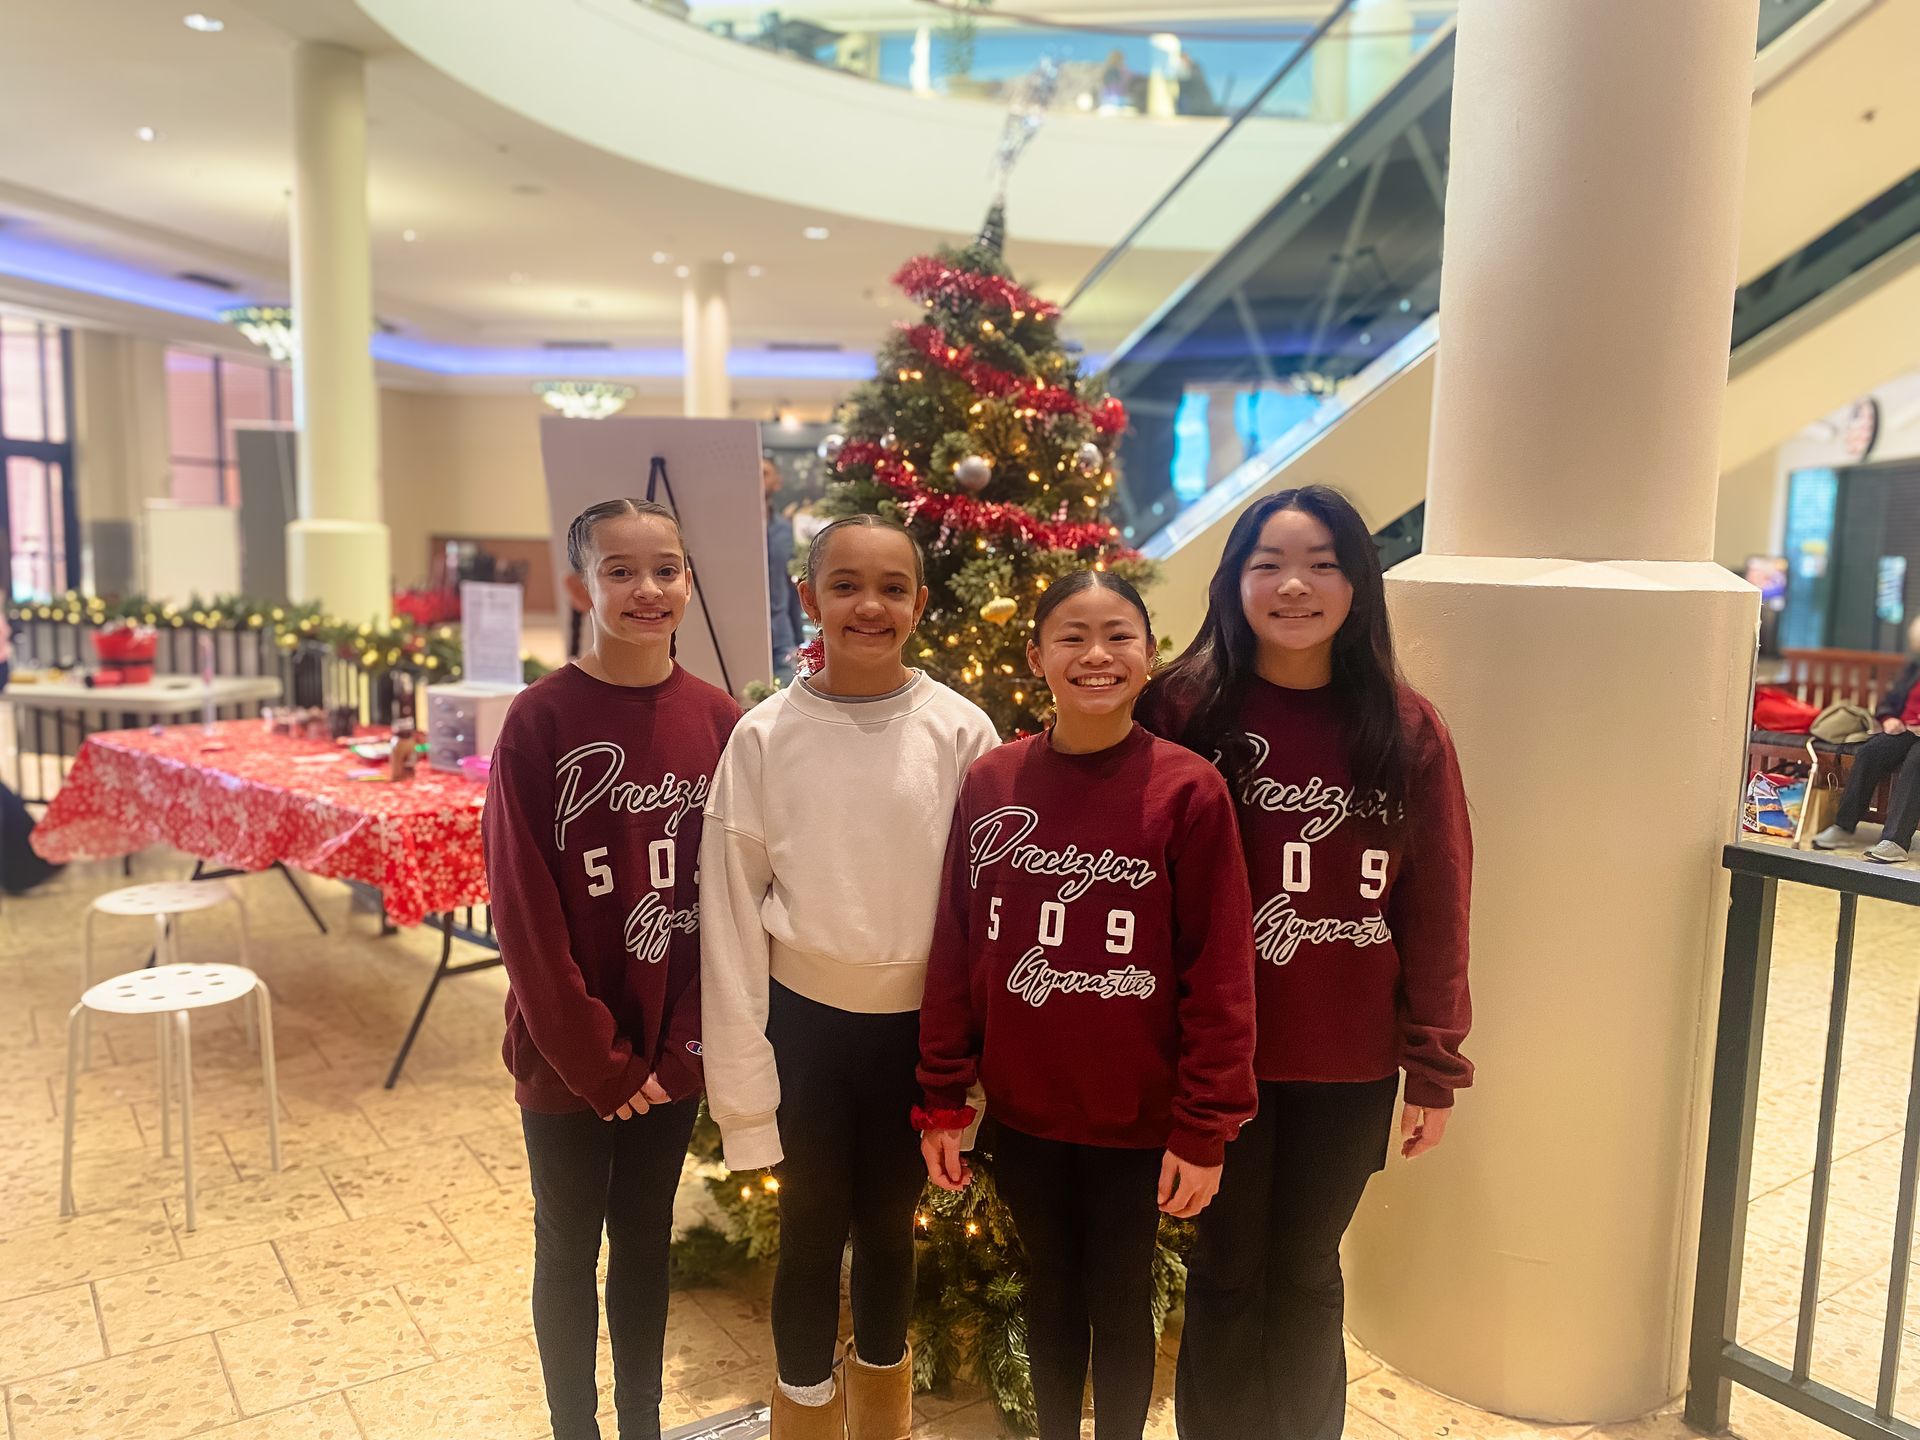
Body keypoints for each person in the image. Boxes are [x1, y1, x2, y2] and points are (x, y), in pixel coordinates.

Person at [1144, 485, 1474, 1440]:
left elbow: (1437, 903)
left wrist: (1435, 1064)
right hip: (1215, 1060)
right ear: (1233, 581)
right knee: (1226, 1268)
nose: (1297, 585)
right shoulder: (1182, 708)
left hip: (1349, 1059)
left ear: (1359, 584)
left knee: (1306, 1268)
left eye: (1324, 562)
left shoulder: (1407, 732)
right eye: (1269, 564)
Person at [917, 570, 1257, 1440]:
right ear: (1036, 656)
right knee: (1050, 1290)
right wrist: (946, 1096)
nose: (1096, 654)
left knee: (1120, 1295)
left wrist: (1203, 1124)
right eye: (1071, 635)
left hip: (1138, 1121)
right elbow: (959, 943)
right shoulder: (992, 782)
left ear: (1150, 655)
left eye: (1119, 635)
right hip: (1027, 1113)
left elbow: (1219, 972)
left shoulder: (1188, 791)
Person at [700, 514, 1000, 1440]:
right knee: (809, 1233)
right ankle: (802, 1419)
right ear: (811, 598)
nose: (869, 606)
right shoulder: (763, 737)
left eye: (894, 587)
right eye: (846, 585)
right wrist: (744, 1093)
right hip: (808, 1032)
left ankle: (881, 1419)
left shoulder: (961, 731)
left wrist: (974, 1062)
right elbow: (727, 920)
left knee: (888, 1231)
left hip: (921, 1035)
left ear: (920, 601)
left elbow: (991, 914)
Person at [483, 498, 742, 1440]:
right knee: (567, 1246)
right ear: (579, 585)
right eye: (622, 570)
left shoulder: (720, 721)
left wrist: (680, 1052)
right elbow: (522, 909)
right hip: (568, 1061)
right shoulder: (540, 721)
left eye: (667, 569)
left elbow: (731, 903)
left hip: (671, 1054)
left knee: (644, 1242)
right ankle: (574, 1428)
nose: (648, 589)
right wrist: (599, 1061)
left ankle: (641, 1422)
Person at [1812, 616, 1920, 863]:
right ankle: (1844, 827)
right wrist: (1890, 718)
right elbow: (1890, 702)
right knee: (1871, 751)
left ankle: (1895, 841)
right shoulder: (1914, 669)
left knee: (1917, 760)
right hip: (1907, 730)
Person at [764, 455, 808, 684]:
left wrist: (800, 639)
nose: (757, 479)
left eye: (764, 473)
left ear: (776, 482)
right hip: (738, 631)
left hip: (782, 636)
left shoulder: (785, 530)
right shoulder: (731, 531)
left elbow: (792, 585)